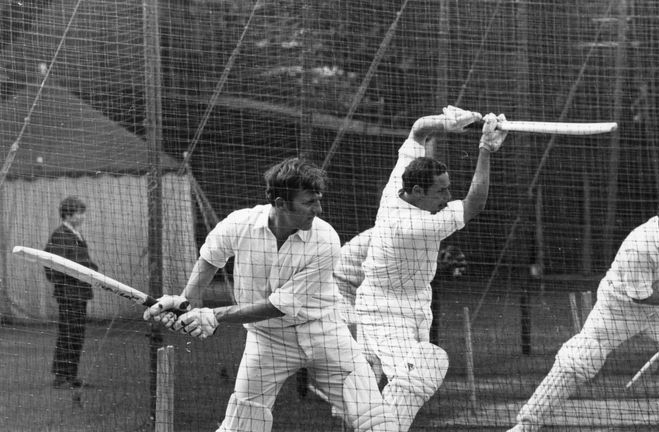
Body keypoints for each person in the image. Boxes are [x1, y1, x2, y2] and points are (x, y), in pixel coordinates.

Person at [144, 158, 397, 432]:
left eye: (318, 200)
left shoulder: (326, 239)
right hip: (268, 341)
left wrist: (213, 316)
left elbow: (281, 305)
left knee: (378, 423)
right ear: (279, 203)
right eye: (309, 202)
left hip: (326, 335)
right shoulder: (240, 223)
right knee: (241, 428)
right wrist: (185, 304)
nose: (318, 209)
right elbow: (210, 258)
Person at [507, 191, 659, 432]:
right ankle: (526, 425)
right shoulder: (640, 245)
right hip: (619, 307)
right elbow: (641, 295)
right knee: (582, 358)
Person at [354, 106, 508, 431]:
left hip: (410, 306)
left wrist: (447, 124)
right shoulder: (413, 224)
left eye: (448, 188)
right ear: (418, 192)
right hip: (385, 312)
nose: (447, 197)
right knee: (426, 366)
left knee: (377, 387)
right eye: (441, 191)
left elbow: (418, 130)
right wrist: (485, 149)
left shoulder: (402, 182)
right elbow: (474, 204)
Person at [44, 196, 99, 389]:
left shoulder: (75, 234)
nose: (83, 216)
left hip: (79, 293)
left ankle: (71, 375)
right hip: (69, 295)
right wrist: (89, 269)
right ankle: (61, 377)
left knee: (76, 334)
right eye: (79, 212)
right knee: (68, 334)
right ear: (68, 214)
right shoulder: (61, 235)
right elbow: (54, 266)